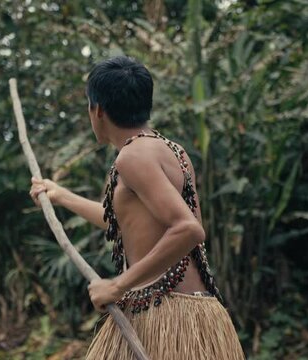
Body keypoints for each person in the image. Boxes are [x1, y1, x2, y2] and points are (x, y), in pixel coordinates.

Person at [29, 56, 244, 360]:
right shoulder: (169, 149)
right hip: (191, 313)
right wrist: (61, 195)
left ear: (98, 110)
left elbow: (188, 229)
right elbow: (124, 223)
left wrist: (117, 286)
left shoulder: (132, 157)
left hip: (168, 316)